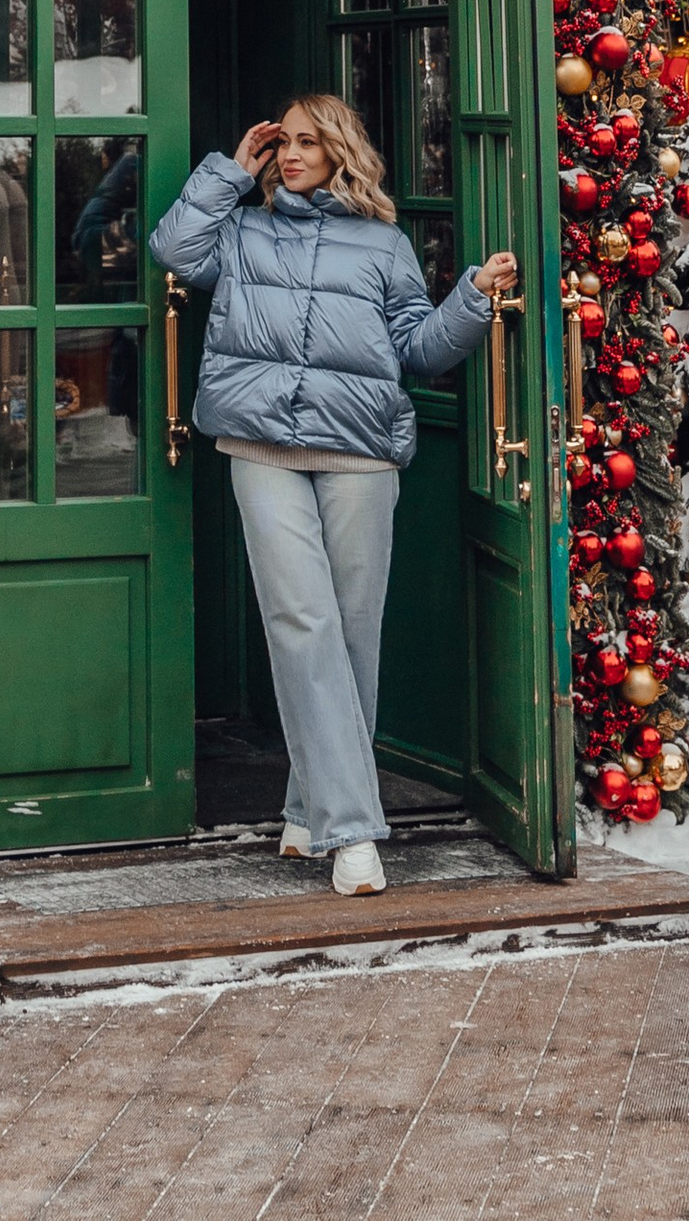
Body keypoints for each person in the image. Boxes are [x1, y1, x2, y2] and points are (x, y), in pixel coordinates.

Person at [150, 94, 517, 896]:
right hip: (260, 448)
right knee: (300, 620)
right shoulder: (240, 229)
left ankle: (308, 807)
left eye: (308, 142)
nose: (291, 155)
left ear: (341, 151)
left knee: (351, 637)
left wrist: (474, 297)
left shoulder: (383, 245)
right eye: (283, 142)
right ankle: (353, 833)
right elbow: (172, 249)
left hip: (361, 460)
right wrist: (228, 173)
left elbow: (419, 350)